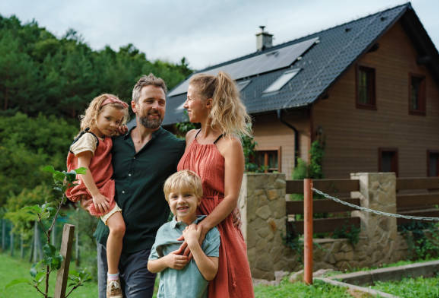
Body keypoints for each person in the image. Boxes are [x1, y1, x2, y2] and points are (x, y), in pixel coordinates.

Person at [93, 74, 186, 298]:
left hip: (145, 245)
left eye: (161, 102)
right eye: (150, 101)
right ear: (134, 105)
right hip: (107, 241)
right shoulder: (111, 141)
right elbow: (86, 165)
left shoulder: (175, 148)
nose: (156, 107)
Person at [177, 71, 255, 298]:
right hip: (188, 224)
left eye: (190, 98)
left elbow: (231, 197)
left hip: (218, 229)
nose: (185, 104)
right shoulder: (190, 137)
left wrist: (203, 228)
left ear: (208, 103)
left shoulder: (230, 144)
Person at [66, 93, 129, 298]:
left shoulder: (104, 136)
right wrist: (95, 195)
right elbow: (82, 169)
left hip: (103, 187)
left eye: (118, 121)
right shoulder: (88, 138)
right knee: (118, 227)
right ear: (95, 115)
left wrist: (119, 130)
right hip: (95, 190)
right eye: (108, 119)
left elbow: (111, 132)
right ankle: (112, 279)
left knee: (116, 228)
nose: (113, 124)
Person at [148, 170, 220, 298]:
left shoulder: (210, 232)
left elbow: (210, 274)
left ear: (198, 200)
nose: (181, 201)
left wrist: (193, 244)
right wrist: (166, 261)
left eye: (187, 195)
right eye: (175, 197)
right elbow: (151, 266)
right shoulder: (163, 231)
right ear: (168, 202)